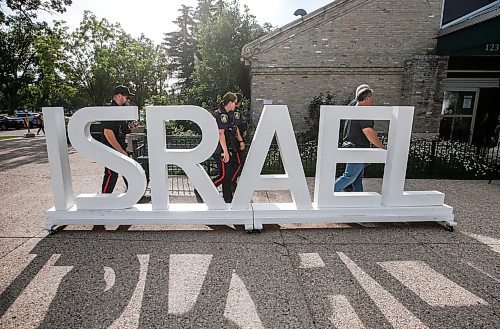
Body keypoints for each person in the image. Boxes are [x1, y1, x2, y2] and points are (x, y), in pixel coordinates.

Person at [334, 86, 385, 192]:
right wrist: (381, 146)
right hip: (357, 148)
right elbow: (368, 132)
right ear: (366, 99)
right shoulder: (363, 112)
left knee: (357, 178)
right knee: (350, 176)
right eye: (371, 98)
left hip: (350, 146)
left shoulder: (352, 107)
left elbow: (356, 98)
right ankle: (328, 194)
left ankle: (359, 200)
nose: (373, 101)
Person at [203, 92, 245, 203]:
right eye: (234, 103)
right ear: (230, 102)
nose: (236, 105)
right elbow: (221, 133)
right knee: (223, 175)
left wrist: (240, 141)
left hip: (227, 149)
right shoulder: (221, 115)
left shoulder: (229, 114)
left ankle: (228, 198)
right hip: (220, 150)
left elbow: (234, 129)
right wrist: (225, 152)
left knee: (227, 175)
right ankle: (203, 191)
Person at [101, 85, 137, 194]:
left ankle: (135, 193)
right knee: (112, 173)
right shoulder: (109, 110)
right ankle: (105, 198)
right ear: (120, 96)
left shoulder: (119, 111)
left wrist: (130, 127)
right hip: (111, 148)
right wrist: (120, 151)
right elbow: (108, 132)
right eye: (127, 97)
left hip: (119, 147)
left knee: (127, 170)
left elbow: (121, 130)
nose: (128, 100)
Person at [231, 92, 248, 191]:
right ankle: (231, 182)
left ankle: (233, 183)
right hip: (236, 143)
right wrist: (241, 141)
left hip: (236, 142)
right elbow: (236, 127)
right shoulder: (236, 112)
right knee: (239, 164)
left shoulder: (235, 111)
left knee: (236, 165)